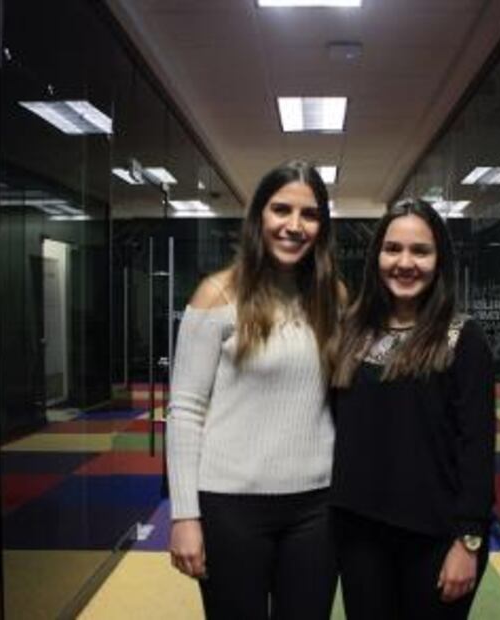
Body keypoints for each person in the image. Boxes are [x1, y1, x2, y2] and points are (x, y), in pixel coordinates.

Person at [166, 160, 341, 620]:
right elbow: (185, 410)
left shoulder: (334, 299)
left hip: (318, 508)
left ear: (322, 227)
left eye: (309, 214)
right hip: (230, 507)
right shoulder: (216, 295)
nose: (294, 225)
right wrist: (184, 515)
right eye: (281, 209)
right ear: (259, 215)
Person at [330, 199, 496, 619]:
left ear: (439, 261)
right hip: (360, 538)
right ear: (377, 257)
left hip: (438, 540)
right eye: (393, 249)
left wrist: (469, 542)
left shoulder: (463, 338)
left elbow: (477, 447)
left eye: (420, 251)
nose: (405, 263)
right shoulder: (351, 332)